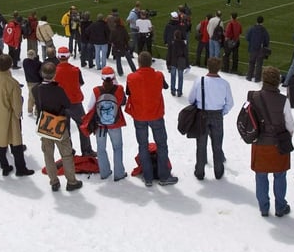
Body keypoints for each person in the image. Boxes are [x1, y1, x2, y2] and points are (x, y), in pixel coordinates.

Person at [125, 51, 177, 186]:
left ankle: (148, 177)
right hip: (156, 114)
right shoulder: (158, 75)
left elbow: (128, 92)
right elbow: (165, 86)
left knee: (143, 145)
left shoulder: (131, 77)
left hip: (140, 115)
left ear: (139, 63)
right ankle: (164, 176)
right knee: (161, 145)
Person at [0, 53, 34, 176]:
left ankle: (4, 166)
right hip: (9, 117)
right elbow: (16, 103)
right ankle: (21, 168)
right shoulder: (12, 82)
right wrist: (18, 114)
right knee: (16, 143)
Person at [250, 66, 294, 217]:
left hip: (260, 142)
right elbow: (290, 124)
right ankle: (280, 206)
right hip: (278, 144)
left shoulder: (253, 97)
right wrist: (287, 136)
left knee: (261, 176)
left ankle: (264, 207)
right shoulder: (283, 100)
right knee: (280, 175)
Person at [33, 62, 83, 192]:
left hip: (44, 124)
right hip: (59, 124)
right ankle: (71, 181)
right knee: (66, 154)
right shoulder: (58, 90)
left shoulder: (36, 89)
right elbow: (67, 104)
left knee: (48, 154)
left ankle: (54, 181)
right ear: (54, 74)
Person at [187, 58, 235, 180]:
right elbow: (230, 103)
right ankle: (218, 172)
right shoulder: (224, 84)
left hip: (202, 115)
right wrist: (222, 112)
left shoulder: (199, 81)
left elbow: (191, 98)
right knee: (217, 145)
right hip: (217, 115)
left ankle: (199, 171)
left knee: (201, 145)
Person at [83, 67, 127, 181]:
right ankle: (119, 173)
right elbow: (123, 102)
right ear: (113, 77)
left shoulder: (96, 90)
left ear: (102, 77)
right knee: (117, 148)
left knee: (101, 148)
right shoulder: (119, 89)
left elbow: (89, 107)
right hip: (115, 123)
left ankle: (105, 172)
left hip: (100, 124)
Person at [54, 46, 94, 155]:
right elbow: (80, 83)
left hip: (60, 104)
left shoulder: (54, 71)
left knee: (65, 128)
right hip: (75, 102)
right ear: (68, 57)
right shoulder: (75, 70)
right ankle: (86, 150)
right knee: (83, 125)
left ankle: (68, 151)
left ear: (58, 57)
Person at [245, 16, 270, 83]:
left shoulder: (252, 28)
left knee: (251, 63)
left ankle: (249, 77)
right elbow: (267, 40)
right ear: (262, 22)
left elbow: (247, 37)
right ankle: (257, 79)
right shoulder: (264, 30)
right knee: (259, 64)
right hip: (260, 50)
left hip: (252, 48)